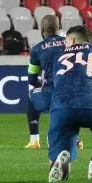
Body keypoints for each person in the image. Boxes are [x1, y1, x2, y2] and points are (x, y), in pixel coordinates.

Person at [45, 26, 92, 183]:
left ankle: (60, 162)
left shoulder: (57, 56)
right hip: (91, 107)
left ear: (71, 40)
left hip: (61, 108)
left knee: (63, 138)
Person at [25, 15, 65, 149]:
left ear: (42, 30)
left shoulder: (37, 49)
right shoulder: (72, 43)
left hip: (51, 94)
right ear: (59, 28)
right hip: (77, 94)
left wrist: (41, 84)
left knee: (31, 95)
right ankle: (74, 138)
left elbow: (31, 78)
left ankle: (34, 140)